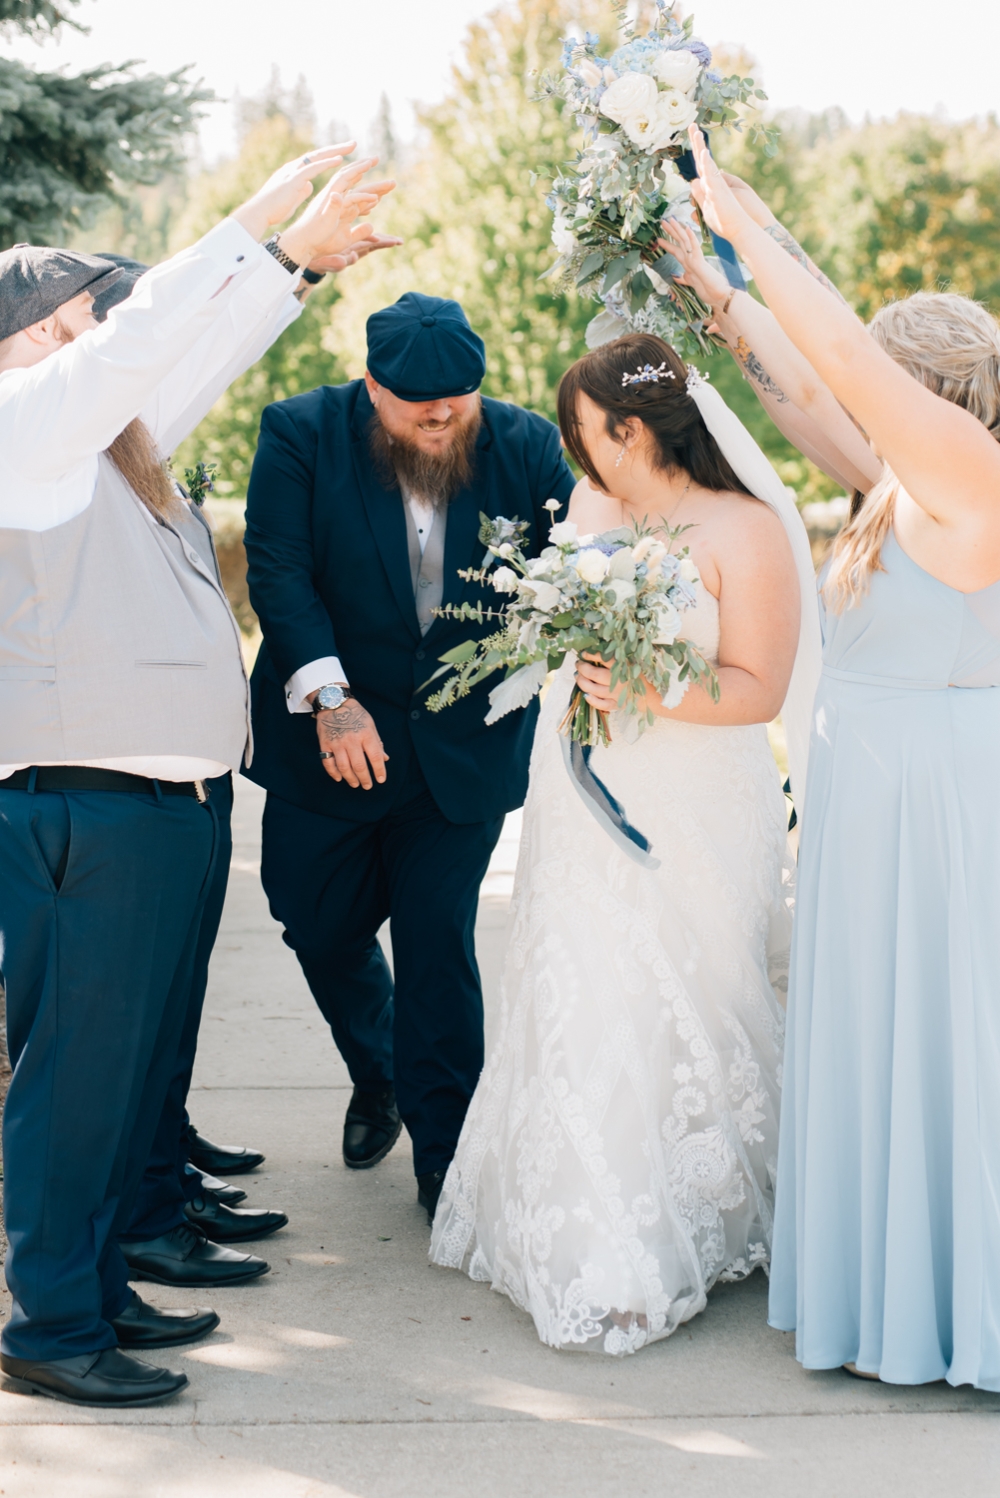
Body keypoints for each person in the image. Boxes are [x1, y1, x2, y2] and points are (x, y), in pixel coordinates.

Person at [0, 144, 385, 1408]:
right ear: (32, 337)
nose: (110, 325)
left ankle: (97, 1284)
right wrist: (258, 224)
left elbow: (189, 356)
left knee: (119, 1079)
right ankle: (52, 1325)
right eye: (85, 312)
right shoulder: (21, 424)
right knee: (75, 1086)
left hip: (147, 813)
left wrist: (293, 269)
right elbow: (146, 341)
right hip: (87, 813)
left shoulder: (90, 442)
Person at [430, 329, 821, 1354]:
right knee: (585, 988)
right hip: (582, 794)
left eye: (585, 429)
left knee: (698, 991)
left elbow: (759, 690)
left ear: (633, 428)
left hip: (696, 807)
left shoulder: (746, 528)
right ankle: (598, 1245)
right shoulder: (592, 508)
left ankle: (708, 1207)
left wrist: (649, 686)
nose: (576, 449)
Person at [687, 124, 1000, 1389]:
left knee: (942, 1039)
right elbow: (796, 385)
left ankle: (955, 1307)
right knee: (885, 1036)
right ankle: (893, 1301)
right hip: (874, 795)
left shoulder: (970, 476)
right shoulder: (897, 481)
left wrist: (747, 228)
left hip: (935, 798)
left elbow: (835, 362)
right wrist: (707, 275)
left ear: (926, 388)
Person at [88, 215, 403, 1289]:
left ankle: (165, 1163)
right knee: (139, 1013)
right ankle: (147, 1205)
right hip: (120, 777)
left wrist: (296, 275)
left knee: (173, 999)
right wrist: (287, 261)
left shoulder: (130, 443)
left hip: (191, 770)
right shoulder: (61, 448)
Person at [242, 293, 576, 1218]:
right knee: (316, 923)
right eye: (419, 407)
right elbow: (279, 569)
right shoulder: (301, 433)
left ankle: (448, 1162)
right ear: (371, 387)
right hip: (331, 736)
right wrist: (333, 701)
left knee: (436, 946)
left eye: (457, 403)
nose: (440, 419)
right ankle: (379, 1068)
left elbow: (575, 561)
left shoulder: (526, 443)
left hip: (461, 751)